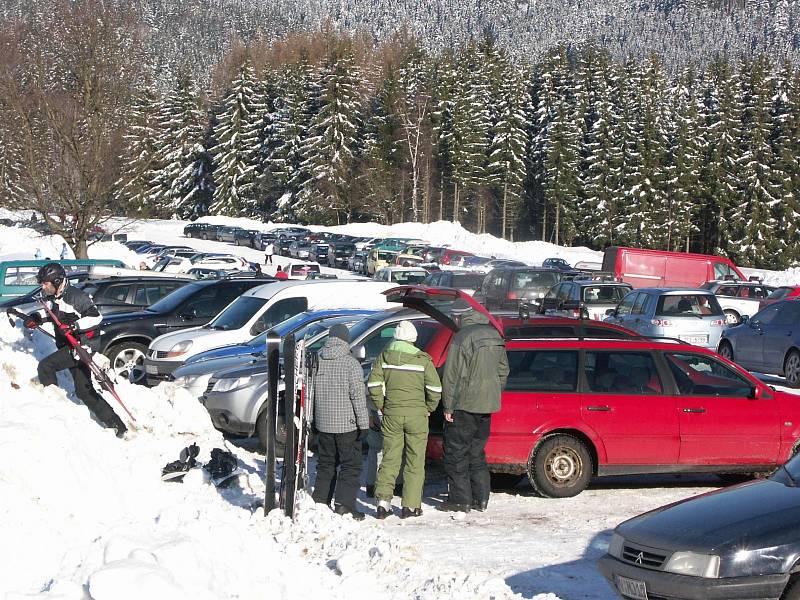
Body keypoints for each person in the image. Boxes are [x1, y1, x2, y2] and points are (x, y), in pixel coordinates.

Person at [23, 263, 127, 437]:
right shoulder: (56, 296)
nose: (43, 286)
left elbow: (96, 317)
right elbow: (52, 314)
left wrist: (74, 326)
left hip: (81, 346)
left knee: (46, 366)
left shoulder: (76, 296)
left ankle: (53, 407)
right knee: (83, 390)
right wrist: (36, 318)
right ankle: (117, 425)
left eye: (45, 283)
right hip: (68, 345)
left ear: (56, 281)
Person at [367, 321, 441, 519]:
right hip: (417, 415)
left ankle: (383, 503)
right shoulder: (423, 360)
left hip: (392, 414)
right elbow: (435, 389)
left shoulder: (384, 357)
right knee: (415, 461)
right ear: (413, 338)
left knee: (390, 458)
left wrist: (381, 404)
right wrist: (429, 408)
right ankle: (410, 506)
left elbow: (373, 384)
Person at [439, 307, 508, 512]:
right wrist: (493, 392)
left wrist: (448, 406)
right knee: (477, 452)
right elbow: (503, 371)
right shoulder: (495, 335)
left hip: (464, 405)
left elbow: (452, 376)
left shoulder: (463, 337)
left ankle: (460, 500)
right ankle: (481, 498)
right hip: (487, 405)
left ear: (461, 317)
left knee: (455, 452)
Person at [310, 324, 369, 520]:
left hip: (323, 424)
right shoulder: (351, 363)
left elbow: (310, 394)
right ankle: (345, 505)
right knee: (350, 466)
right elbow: (358, 397)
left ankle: (320, 500)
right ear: (346, 339)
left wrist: (311, 420)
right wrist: (363, 424)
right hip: (347, 425)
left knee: (326, 463)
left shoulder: (317, 360)